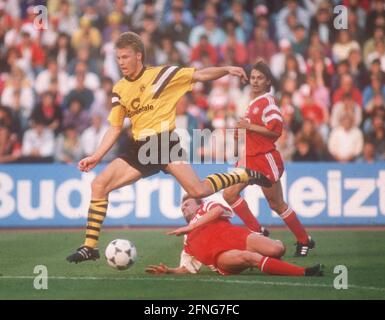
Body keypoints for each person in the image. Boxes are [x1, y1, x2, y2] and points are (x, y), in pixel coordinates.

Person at [66, 32, 270, 263]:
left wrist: (226, 69)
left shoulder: (163, 75)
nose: (120, 62)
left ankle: (244, 174)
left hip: (163, 144)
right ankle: (90, 247)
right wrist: (95, 156)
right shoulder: (120, 88)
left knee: (198, 192)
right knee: (99, 184)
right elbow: (114, 128)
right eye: (118, 58)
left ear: (138, 56)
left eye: (125, 57)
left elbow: (201, 74)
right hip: (139, 148)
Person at [222, 62, 315, 257]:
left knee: (277, 204)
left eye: (260, 78)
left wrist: (249, 128)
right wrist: (241, 133)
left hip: (264, 159)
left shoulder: (268, 102)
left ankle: (304, 240)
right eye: (253, 77)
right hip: (248, 158)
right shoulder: (254, 102)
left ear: (268, 82)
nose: (255, 81)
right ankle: (258, 232)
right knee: (229, 194)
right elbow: (252, 128)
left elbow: (276, 130)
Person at [146, 196, 323, 277]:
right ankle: (304, 272)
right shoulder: (187, 239)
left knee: (277, 249)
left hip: (239, 237)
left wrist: (191, 226)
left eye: (187, 204)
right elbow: (188, 268)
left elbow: (218, 211)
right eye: (182, 208)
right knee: (250, 257)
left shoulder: (206, 207)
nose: (184, 209)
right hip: (221, 257)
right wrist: (169, 270)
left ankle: (271, 251)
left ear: (198, 203)